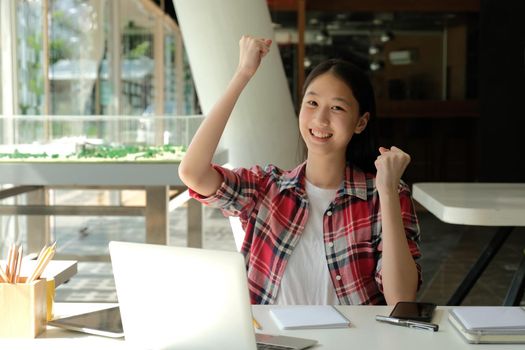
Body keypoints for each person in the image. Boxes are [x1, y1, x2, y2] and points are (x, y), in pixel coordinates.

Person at [178, 35, 421, 305]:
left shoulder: (385, 195)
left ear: (360, 122)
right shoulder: (266, 188)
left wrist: (386, 191)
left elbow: (402, 299)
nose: (320, 119)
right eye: (312, 103)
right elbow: (193, 172)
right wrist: (243, 74)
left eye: (337, 108)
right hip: (273, 345)